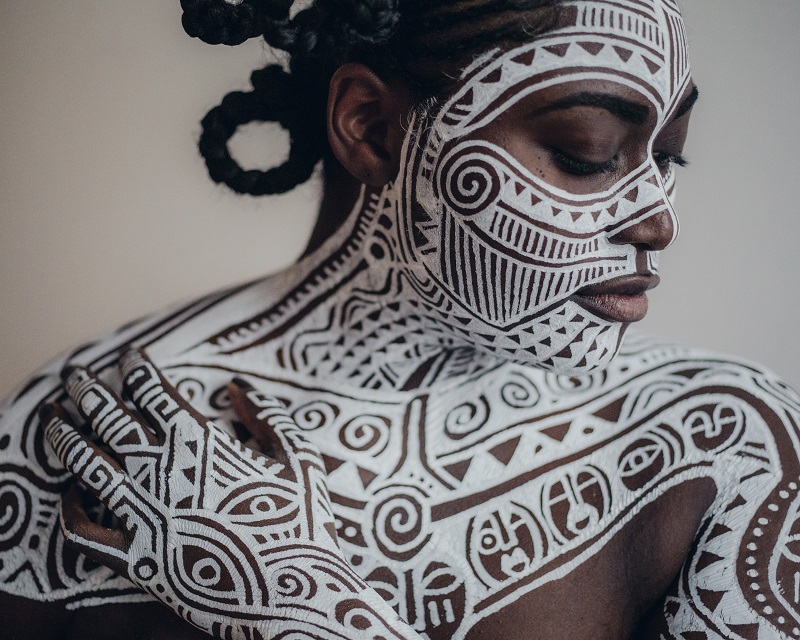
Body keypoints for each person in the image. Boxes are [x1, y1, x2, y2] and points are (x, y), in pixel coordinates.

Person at [0, 0, 798, 638]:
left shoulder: (729, 442)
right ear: (372, 127)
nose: (658, 222)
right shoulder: (93, 430)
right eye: (588, 154)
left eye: (668, 158)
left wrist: (299, 603)